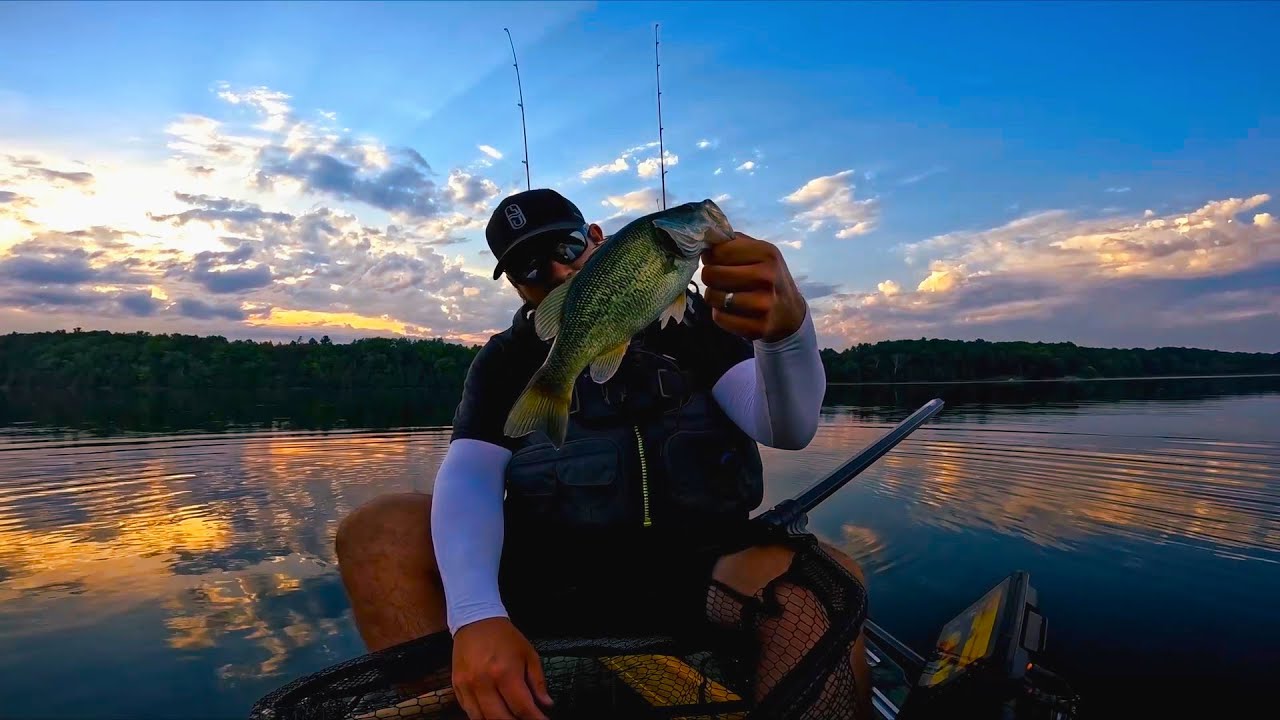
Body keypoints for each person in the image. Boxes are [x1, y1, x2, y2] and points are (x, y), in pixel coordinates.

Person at [335, 188, 871, 720]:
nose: (557, 274)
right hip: (547, 573)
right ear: (516, 283)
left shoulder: (699, 326)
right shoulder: (507, 359)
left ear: (596, 239)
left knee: (822, 588)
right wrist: (475, 615)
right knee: (377, 531)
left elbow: (788, 427)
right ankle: (475, 701)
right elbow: (471, 476)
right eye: (529, 266)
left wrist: (786, 335)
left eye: (566, 249)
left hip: (700, 568)